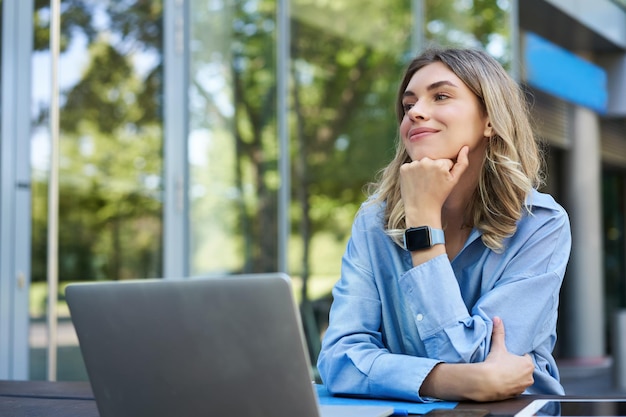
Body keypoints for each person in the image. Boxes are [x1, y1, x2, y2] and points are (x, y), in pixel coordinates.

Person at [316, 47, 571, 403]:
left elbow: (477, 355)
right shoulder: (374, 221)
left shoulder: (540, 224)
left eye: (441, 96)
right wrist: (447, 382)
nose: (416, 112)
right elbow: (339, 358)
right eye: (408, 105)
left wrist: (422, 226)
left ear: (490, 119)